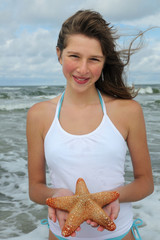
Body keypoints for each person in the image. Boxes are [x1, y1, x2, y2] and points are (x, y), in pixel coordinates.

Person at [26, 10, 154, 240]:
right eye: (74, 56)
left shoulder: (127, 111)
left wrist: (114, 196)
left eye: (94, 59)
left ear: (104, 62)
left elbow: (145, 183)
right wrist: (57, 194)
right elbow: (35, 187)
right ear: (59, 54)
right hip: (61, 235)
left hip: (118, 234)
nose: (83, 69)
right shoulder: (39, 115)